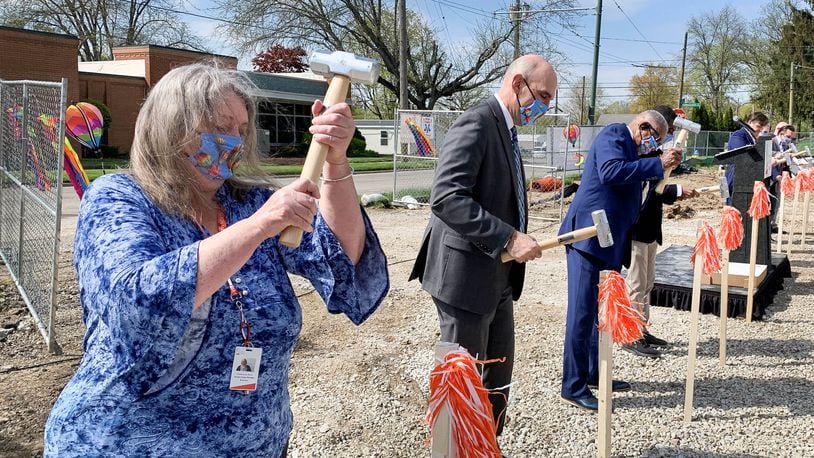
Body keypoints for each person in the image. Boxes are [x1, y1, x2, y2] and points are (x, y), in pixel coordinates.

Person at [43, 63, 389, 457]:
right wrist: (259, 227)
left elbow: (343, 258)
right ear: (172, 125)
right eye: (221, 125)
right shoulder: (119, 198)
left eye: (241, 130)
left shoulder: (247, 202)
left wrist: (335, 161)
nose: (234, 141)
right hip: (124, 442)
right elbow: (137, 301)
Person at [410, 54, 556, 438]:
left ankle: (485, 444)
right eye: (541, 95)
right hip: (465, 281)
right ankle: (455, 447)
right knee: (461, 385)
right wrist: (509, 237)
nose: (543, 107)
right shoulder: (476, 122)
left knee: (497, 376)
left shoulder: (505, 130)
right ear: (518, 83)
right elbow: (446, 197)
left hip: (499, 276)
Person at [559, 110, 681, 412]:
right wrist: (655, 162)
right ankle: (573, 386)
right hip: (587, 238)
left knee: (601, 313)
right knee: (582, 312)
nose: (653, 146)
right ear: (643, 127)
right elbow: (611, 172)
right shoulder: (615, 135)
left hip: (611, 242)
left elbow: (645, 187)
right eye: (655, 138)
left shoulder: (639, 150)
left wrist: (663, 168)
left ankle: (594, 373)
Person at [622, 105, 699, 358]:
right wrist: (674, 188)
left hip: (651, 228)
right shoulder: (639, 153)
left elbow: (658, 190)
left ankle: (642, 329)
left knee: (646, 284)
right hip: (635, 228)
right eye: (666, 131)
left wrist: (673, 183)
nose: (667, 136)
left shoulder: (655, 152)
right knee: (635, 284)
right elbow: (648, 189)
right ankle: (630, 334)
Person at [725, 112, 770, 205]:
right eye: (759, 126)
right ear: (750, 122)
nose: (760, 130)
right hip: (737, 183)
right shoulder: (738, 136)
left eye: (763, 127)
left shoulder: (754, 138)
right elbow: (744, 157)